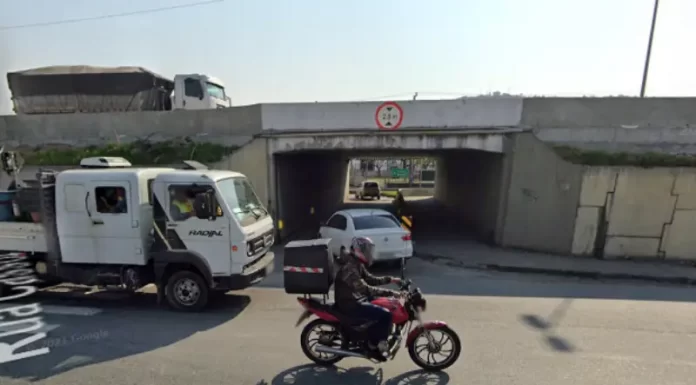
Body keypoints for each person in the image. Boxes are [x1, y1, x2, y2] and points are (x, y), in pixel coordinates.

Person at [334, 236, 403, 359]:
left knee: (383, 304)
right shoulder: (350, 268)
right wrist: (391, 293)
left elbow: (371, 279)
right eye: (367, 250)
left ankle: (372, 338)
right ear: (359, 250)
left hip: (356, 298)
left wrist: (391, 279)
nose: (369, 253)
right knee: (386, 315)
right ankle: (374, 345)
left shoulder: (356, 263)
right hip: (350, 304)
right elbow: (366, 289)